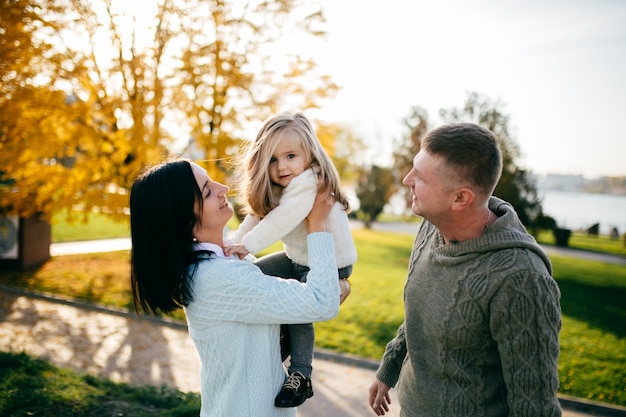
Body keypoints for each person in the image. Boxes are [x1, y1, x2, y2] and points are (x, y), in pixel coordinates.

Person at [368, 123, 562, 416]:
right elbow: (423, 311)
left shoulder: (522, 279)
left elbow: (534, 406)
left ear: (460, 198)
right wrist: (390, 366)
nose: (407, 180)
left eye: (419, 177)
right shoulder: (431, 227)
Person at [129, 158, 341, 417]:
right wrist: (317, 224)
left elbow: (309, 297)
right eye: (207, 191)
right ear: (185, 221)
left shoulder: (226, 261)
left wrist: (333, 283)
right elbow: (322, 301)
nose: (223, 188)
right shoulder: (217, 277)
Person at [225, 111, 357, 407]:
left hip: (329, 262)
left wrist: (246, 246)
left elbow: (282, 220)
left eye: (290, 156)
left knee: (299, 307)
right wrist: (232, 245)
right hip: (297, 257)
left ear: (310, 154)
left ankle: (301, 373)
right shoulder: (283, 184)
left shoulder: (309, 181)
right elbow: (258, 217)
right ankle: (275, 343)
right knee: (255, 275)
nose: (281, 166)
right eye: (272, 159)